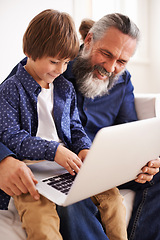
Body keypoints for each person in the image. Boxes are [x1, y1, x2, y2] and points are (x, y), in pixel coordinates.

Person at [1, 12, 160, 240]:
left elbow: (130, 132)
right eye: (106, 54)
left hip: (99, 165)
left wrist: (145, 162)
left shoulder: (121, 82)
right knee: (72, 198)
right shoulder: (47, 66)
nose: (111, 67)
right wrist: (4, 159)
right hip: (59, 165)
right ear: (88, 41)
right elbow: (6, 125)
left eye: (122, 61)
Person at [0, 9, 92, 240]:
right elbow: (11, 136)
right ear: (29, 52)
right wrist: (53, 150)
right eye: (54, 61)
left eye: (66, 62)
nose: (61, 69)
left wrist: (84, 148)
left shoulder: (64, 87)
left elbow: (75, 127)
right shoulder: (10, 89)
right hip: (31, 171)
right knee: (42, 222)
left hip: (63, 167)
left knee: (111, 201)